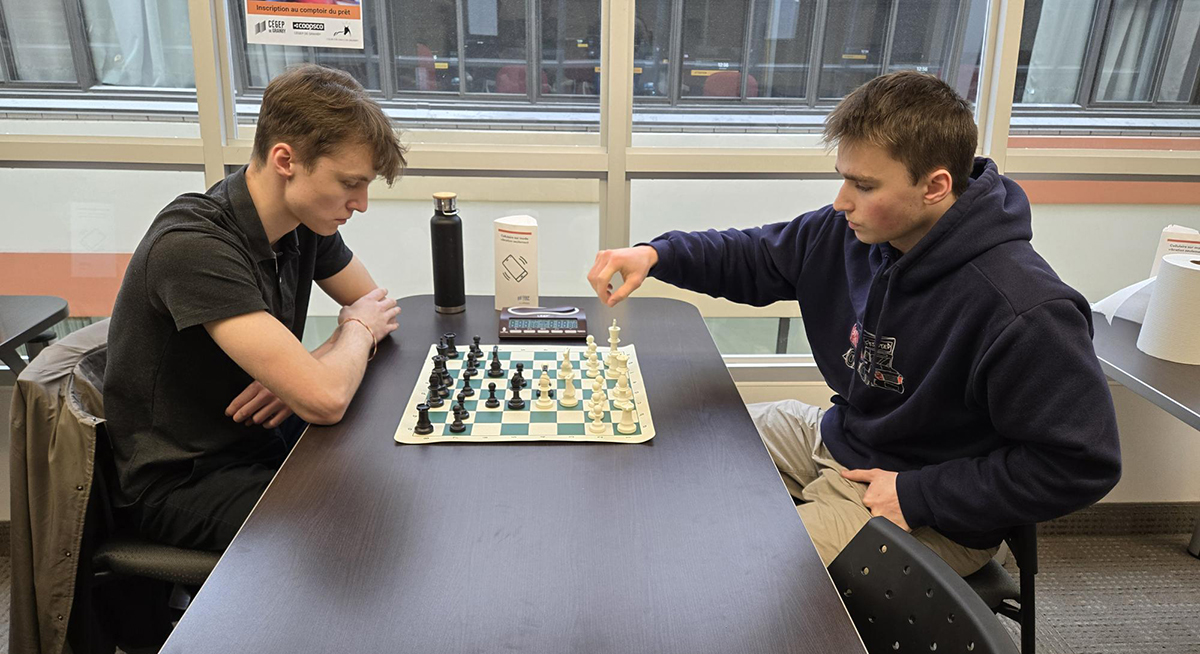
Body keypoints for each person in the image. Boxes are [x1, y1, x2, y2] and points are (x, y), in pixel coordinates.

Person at [586, 71, 1122, 575]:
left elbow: (1080, 464)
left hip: (924, 504)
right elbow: (755, 256)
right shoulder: (853, 233)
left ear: (934, 186)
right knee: (680, 439)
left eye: (864, 186)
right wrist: (656, 256)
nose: (842, 202)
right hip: (838, 437)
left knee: (741, 576)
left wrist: (919, 494)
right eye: (843, 179)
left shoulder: (1025, 310)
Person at [105, 64, 406, 551]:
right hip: (183, 480)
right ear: (285, 159)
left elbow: (373, 307)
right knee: (357, 524)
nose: (362, 203)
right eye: (351, 182)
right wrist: (339, 351)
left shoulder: (305, 222)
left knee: (389, 475)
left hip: (255, 441)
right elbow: (331, 390)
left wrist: (306, 371)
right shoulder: (195, 245)